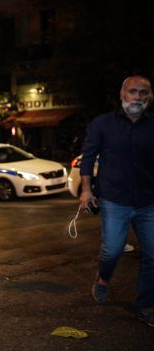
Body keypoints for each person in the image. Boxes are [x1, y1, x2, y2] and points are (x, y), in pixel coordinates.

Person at [79, 75, 154, 327]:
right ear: (122, 94)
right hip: (114, 199)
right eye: (132, 91)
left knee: (153, 254)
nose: (137, 97)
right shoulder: (102, 124)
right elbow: (88, 157)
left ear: (149, 97)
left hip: (148, 200)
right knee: (112, 250)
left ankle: (146, 304)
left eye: (143, 92)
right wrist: (86, 190)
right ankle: (103, 277)